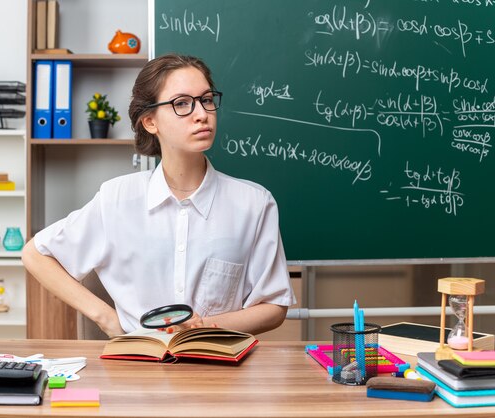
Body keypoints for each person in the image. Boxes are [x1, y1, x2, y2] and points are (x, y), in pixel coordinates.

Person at [22, 54, 296, 337]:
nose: (201, 113)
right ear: (150, 122)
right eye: (182, 104)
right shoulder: (117, 199)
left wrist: (203, 328)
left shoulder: (253, 203)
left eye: (207, 100)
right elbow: (35, 253)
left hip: (219, 367)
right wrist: (106, 318)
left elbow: (274, 305)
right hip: (138, 366)